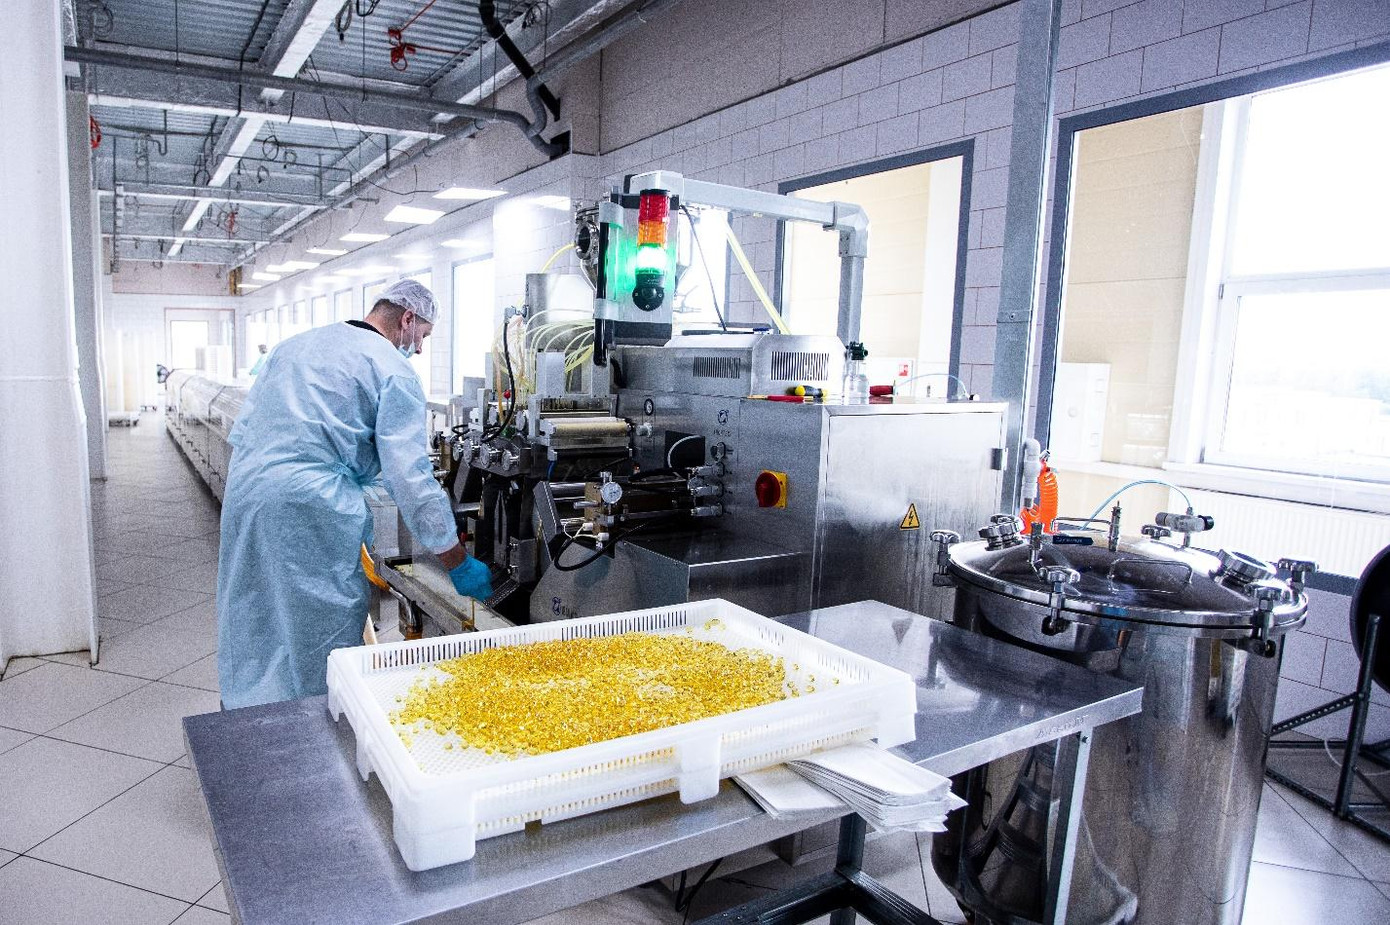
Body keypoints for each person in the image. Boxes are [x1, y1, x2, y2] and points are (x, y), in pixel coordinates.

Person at [216, 279, 492, 708]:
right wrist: (455, 559)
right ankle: (314, 723)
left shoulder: (295, 346)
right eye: (423, 335)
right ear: (407, 319)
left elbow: (248, 428)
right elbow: (410, 478)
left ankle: (248, 713)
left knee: (254, 609)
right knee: (318, 622)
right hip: (310, 508)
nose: (420, 349)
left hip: (248, 489)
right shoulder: (393, 370)